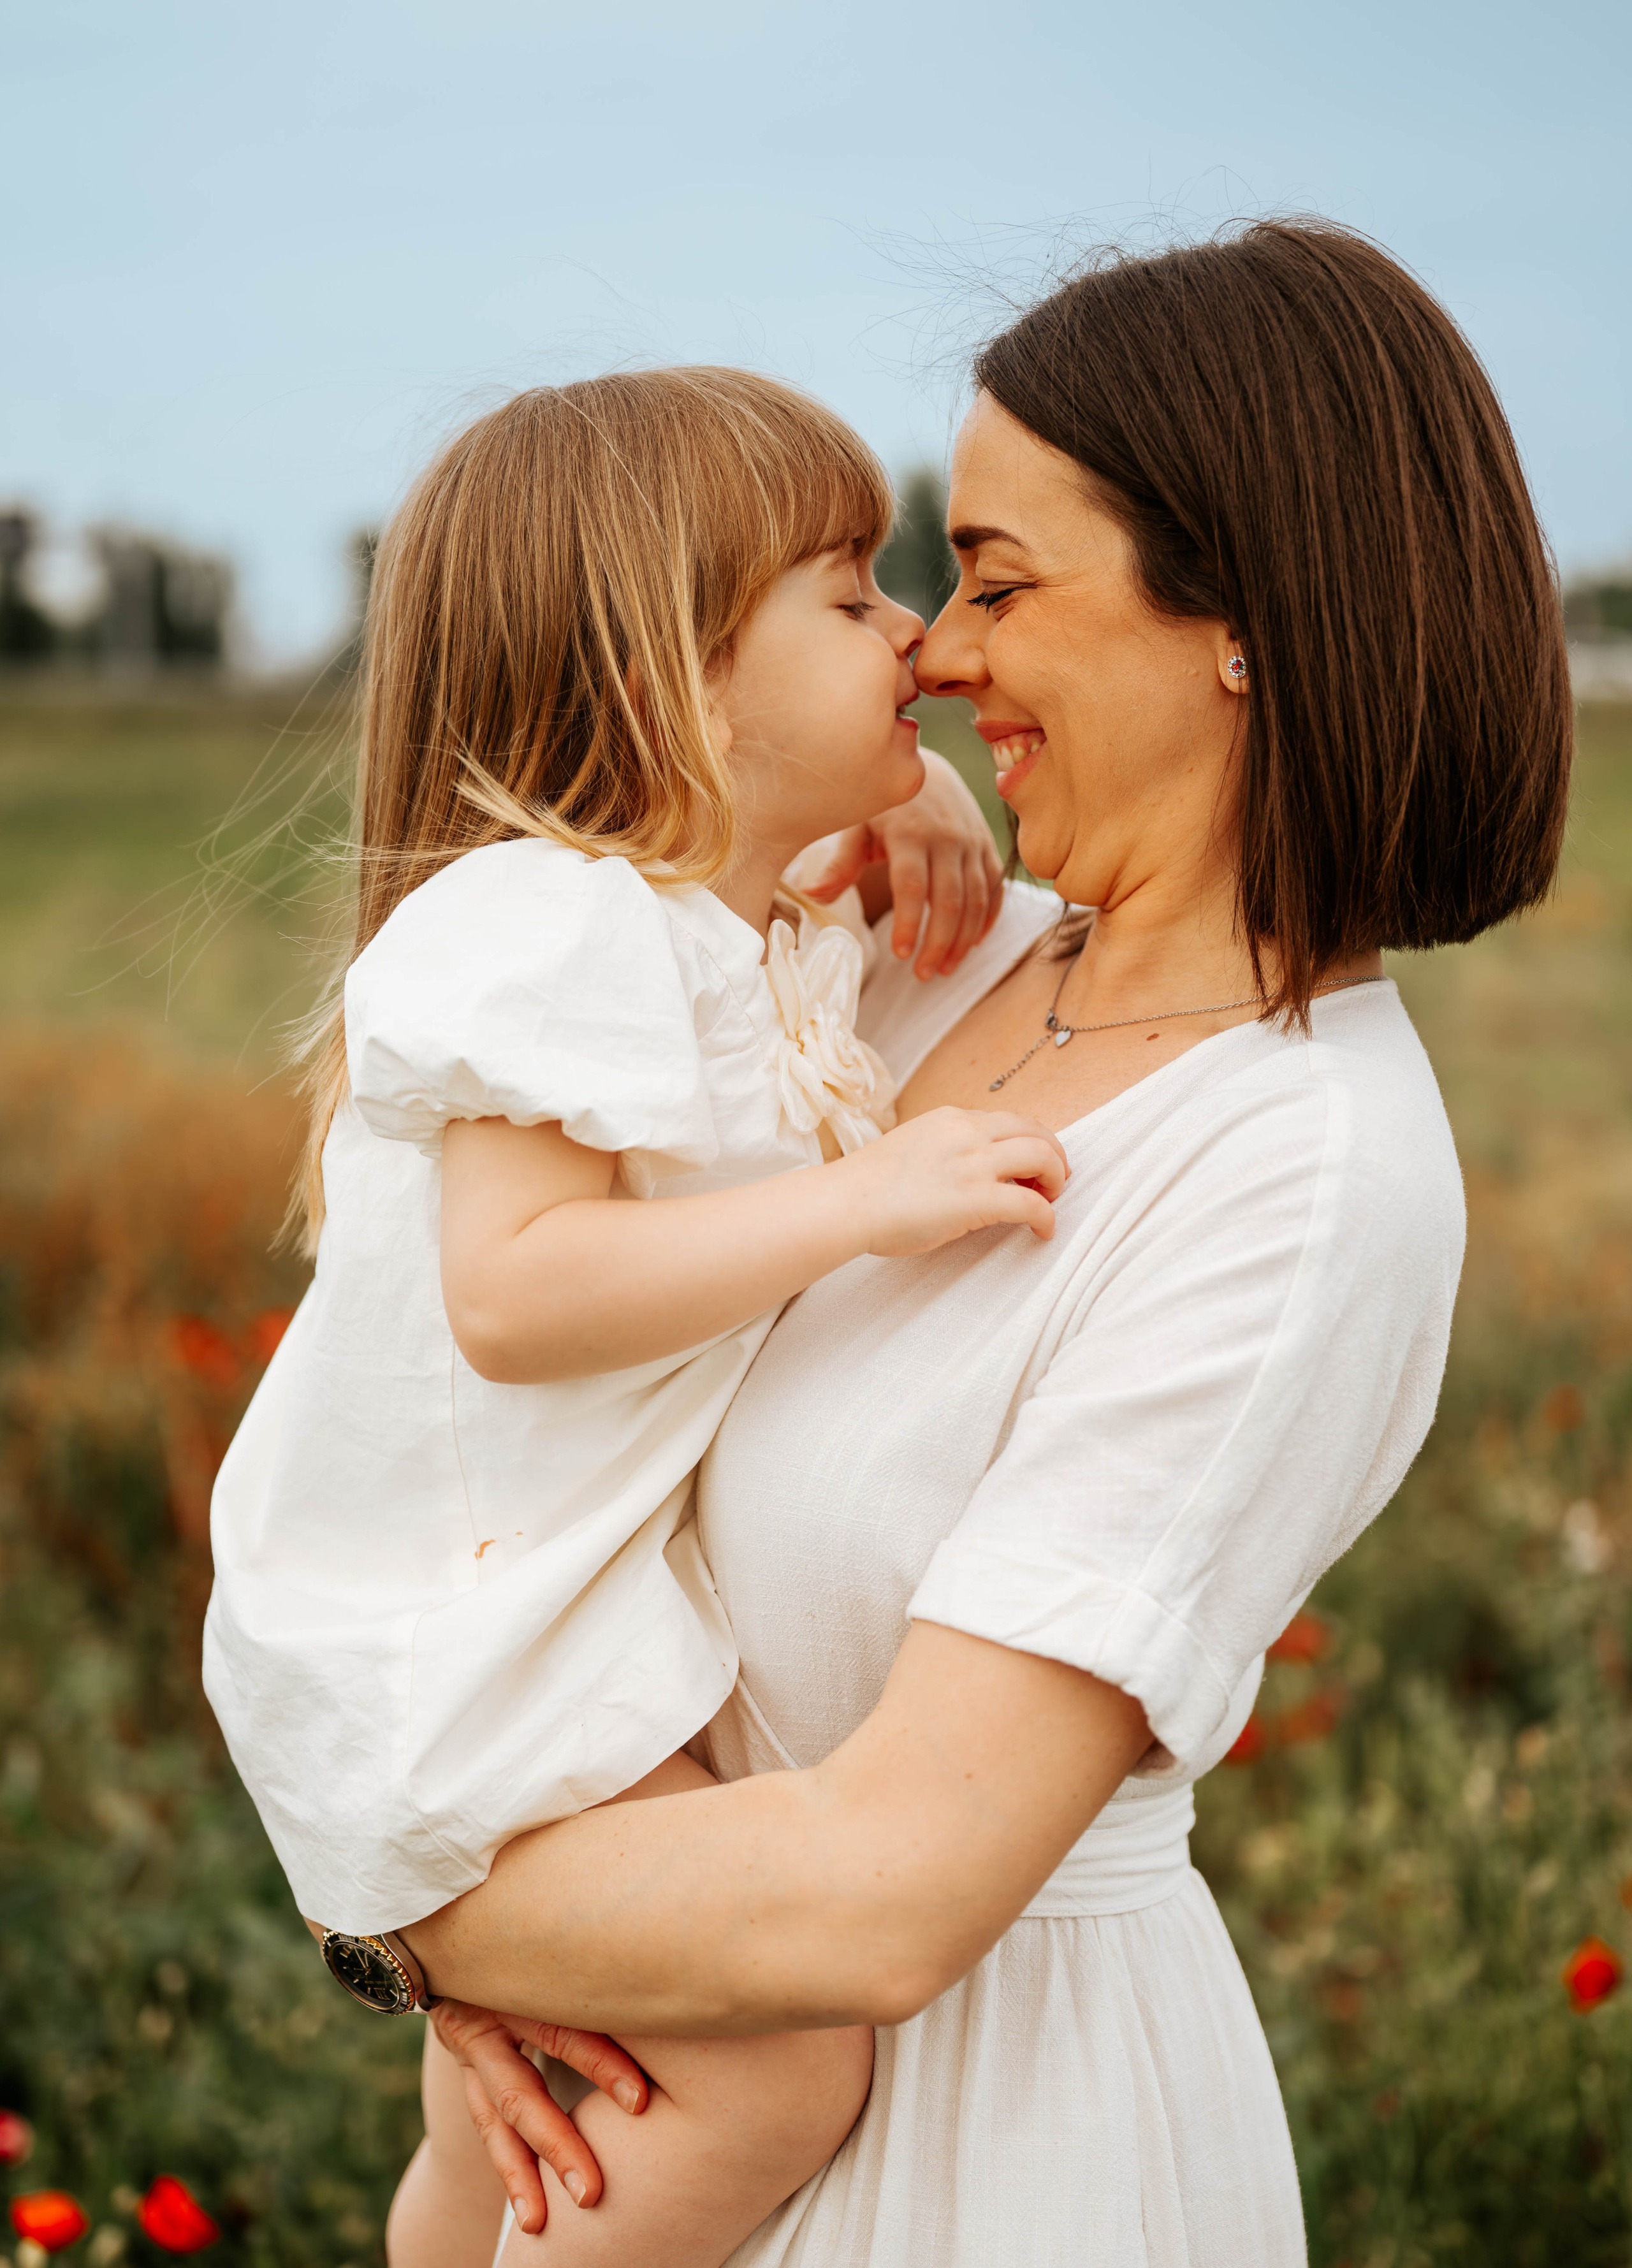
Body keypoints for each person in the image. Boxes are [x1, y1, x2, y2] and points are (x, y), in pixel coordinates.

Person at [394, 221, 1573, 2267]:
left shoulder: (1297, 1170)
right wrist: (852, 818)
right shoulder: (941, 969)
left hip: (993, 2147)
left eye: (999, 583)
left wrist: (403, 1899)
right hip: (673, 2084)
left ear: (1251, 624)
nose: (933, 652)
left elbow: (884, 1890)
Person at [200, 367, 1044, 2268]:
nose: (911, 630)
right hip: (460, 1653)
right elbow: (517, 1293)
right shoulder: (547, 927)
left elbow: (765, 939)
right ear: (677, 677)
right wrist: (860, 1203)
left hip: (519, 1628)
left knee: (528, 2126)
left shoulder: (711, 928)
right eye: (847, 592)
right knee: (777, 2074)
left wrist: (888, 826)